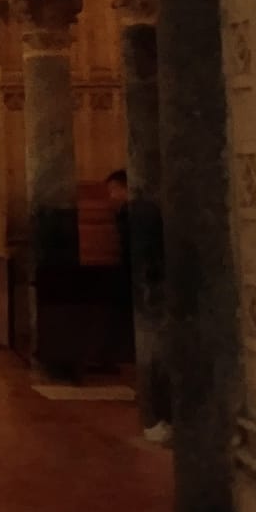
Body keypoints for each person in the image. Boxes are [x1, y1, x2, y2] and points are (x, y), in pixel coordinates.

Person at [109, 168, 171, 444]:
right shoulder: (136, 213)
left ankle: (157, 416)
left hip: (151, 288)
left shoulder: (136, 215)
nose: (110, 197)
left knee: (156, 351)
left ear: (126, 187)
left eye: (113, 190)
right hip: (149, 286)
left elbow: (143, 256)